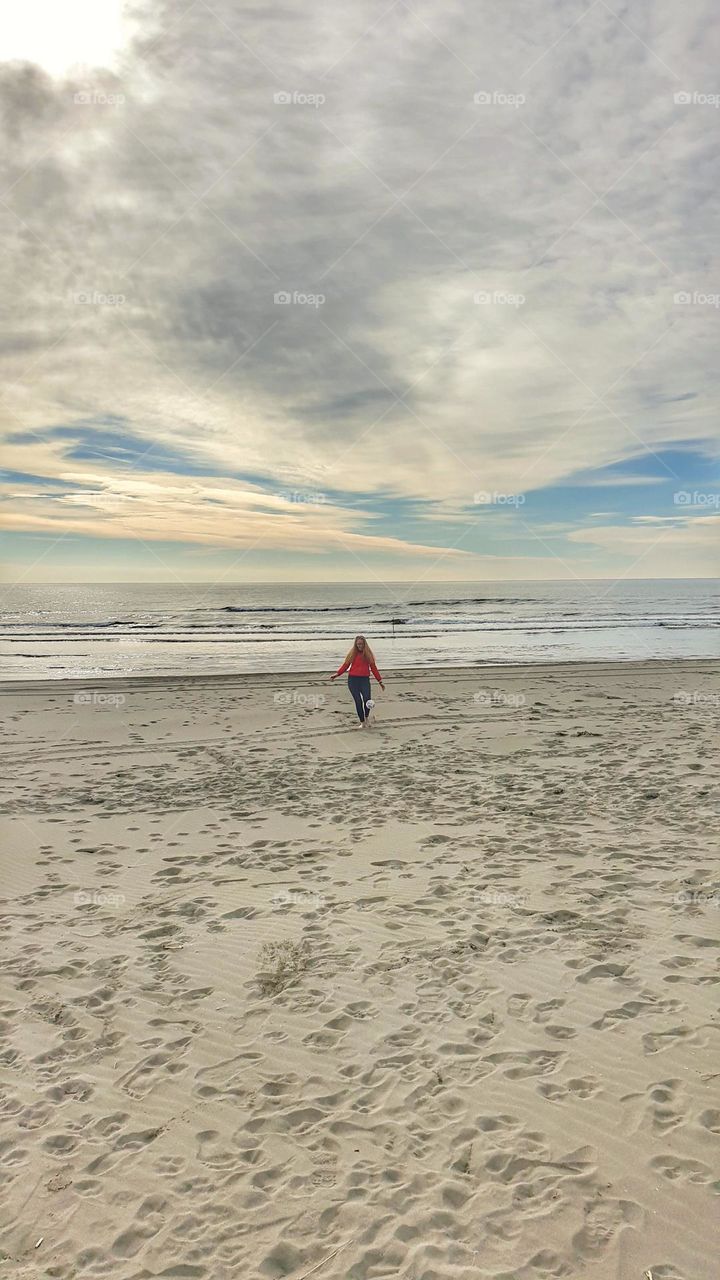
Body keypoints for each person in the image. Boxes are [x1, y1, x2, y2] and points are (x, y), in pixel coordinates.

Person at [330, 635, 385, 727]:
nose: (360, 646)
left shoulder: (368, 655)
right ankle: (362, 722)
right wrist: (337, 674)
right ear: (356, 644)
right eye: (358, 644)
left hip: (364, 680)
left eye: (362, 644)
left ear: (364, 644)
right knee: (358, 701)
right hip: (353, 680)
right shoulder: (352, 654)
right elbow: (345, 665)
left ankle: (366, 717)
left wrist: (380, 681)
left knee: (367, 700)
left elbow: (373, 668)